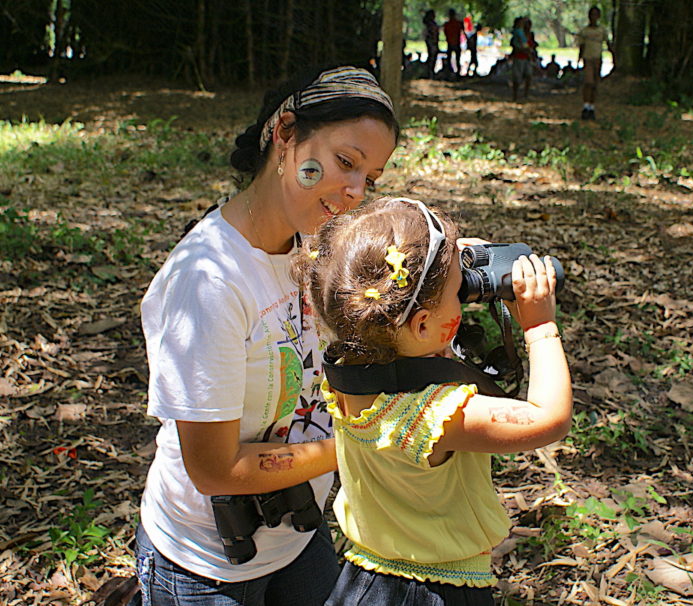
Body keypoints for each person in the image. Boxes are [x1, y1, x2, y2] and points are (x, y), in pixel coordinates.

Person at [132, 66, 400, 606]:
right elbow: (214, 468)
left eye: (369, 178)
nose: (353, 193)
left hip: (296, 535)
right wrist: (363, 442)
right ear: (284, 133)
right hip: (205, 564)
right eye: (345, 162)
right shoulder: (208, 283)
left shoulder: (312, 248)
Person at [292, 197, 573, 605]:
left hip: (364, 578)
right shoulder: (431, 414)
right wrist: (541, 326)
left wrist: (444, 268)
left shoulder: (350, 367)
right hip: (428, 591)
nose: (465, 299)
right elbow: (549, 419)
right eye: (459, 293)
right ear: (423, 325)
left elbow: (419, 346)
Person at [576, 5, 608, 120]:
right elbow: (582, 45)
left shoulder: (602, 31)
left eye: (595, 15)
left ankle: (592, 107)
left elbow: (607, 43)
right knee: (588, 83)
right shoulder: (585, 31)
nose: (593, 17)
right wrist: (579, 58)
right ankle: (585, 106)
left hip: (597, 59)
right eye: (591, 15)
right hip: (588, 59)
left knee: (595, 84)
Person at [509, 17, 532, 101]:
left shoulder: (528, 35)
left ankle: (525, 95)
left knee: (528, 75)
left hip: (527, 58)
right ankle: (515, 96)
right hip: (519, 57)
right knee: (517, 78)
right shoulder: (518, 34)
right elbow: (515, 45)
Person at [443, 8, 464, 77]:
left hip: (450, 43)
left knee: (449, 59)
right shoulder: (459, 23)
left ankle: (450, 72)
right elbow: (462, 31)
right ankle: (457, 73)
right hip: (456, 43)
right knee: (457, 59)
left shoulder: (447, 24)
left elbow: (445, 34)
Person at [423, 9, 440, 78]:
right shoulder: (430, 24)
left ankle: (430, 71)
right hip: (432, 42)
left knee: (432, 56)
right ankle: (430, 72)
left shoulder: (430, 24)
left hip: (432, 42)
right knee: (432, 56)